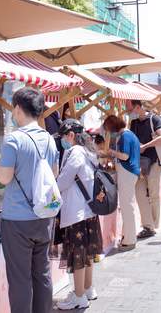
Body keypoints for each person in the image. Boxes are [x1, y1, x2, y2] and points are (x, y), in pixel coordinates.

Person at [0, 87, 59, 313]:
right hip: (44, 216)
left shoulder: (14, 140)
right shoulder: (50, 140)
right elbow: (55, 173)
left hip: (17, 220)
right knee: (42, 274)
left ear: (18, 109)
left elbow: (3, 178)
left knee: (20, 280)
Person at [54, 119, 102, 310]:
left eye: (64, 137)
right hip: (89, 211)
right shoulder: (89, 151)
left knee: (78, 255)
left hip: (77, 212)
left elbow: (62, 183)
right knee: (88, 253)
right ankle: (88, 288)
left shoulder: (75, 153)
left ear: (71, 135)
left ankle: (79, 296)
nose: (63, 141)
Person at [126, 100, 161, 239]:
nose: (129, 111)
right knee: (140, 194)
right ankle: (148, 226)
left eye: (131, 108)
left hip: (154, 162)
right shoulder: (133, 123)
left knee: (153, 193)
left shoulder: (154, 119)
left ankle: (152, 225)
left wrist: (145, 146)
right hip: (139, 163)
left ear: (138, 107)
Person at [102, 114, 140, 252]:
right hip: (130, 172)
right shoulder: (129, 135)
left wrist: (112, 152)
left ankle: (130, 239)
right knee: (127, 206)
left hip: (127, 172)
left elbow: (125, 156)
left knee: (127, 207)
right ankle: (127, 236)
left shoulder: (124, 136)